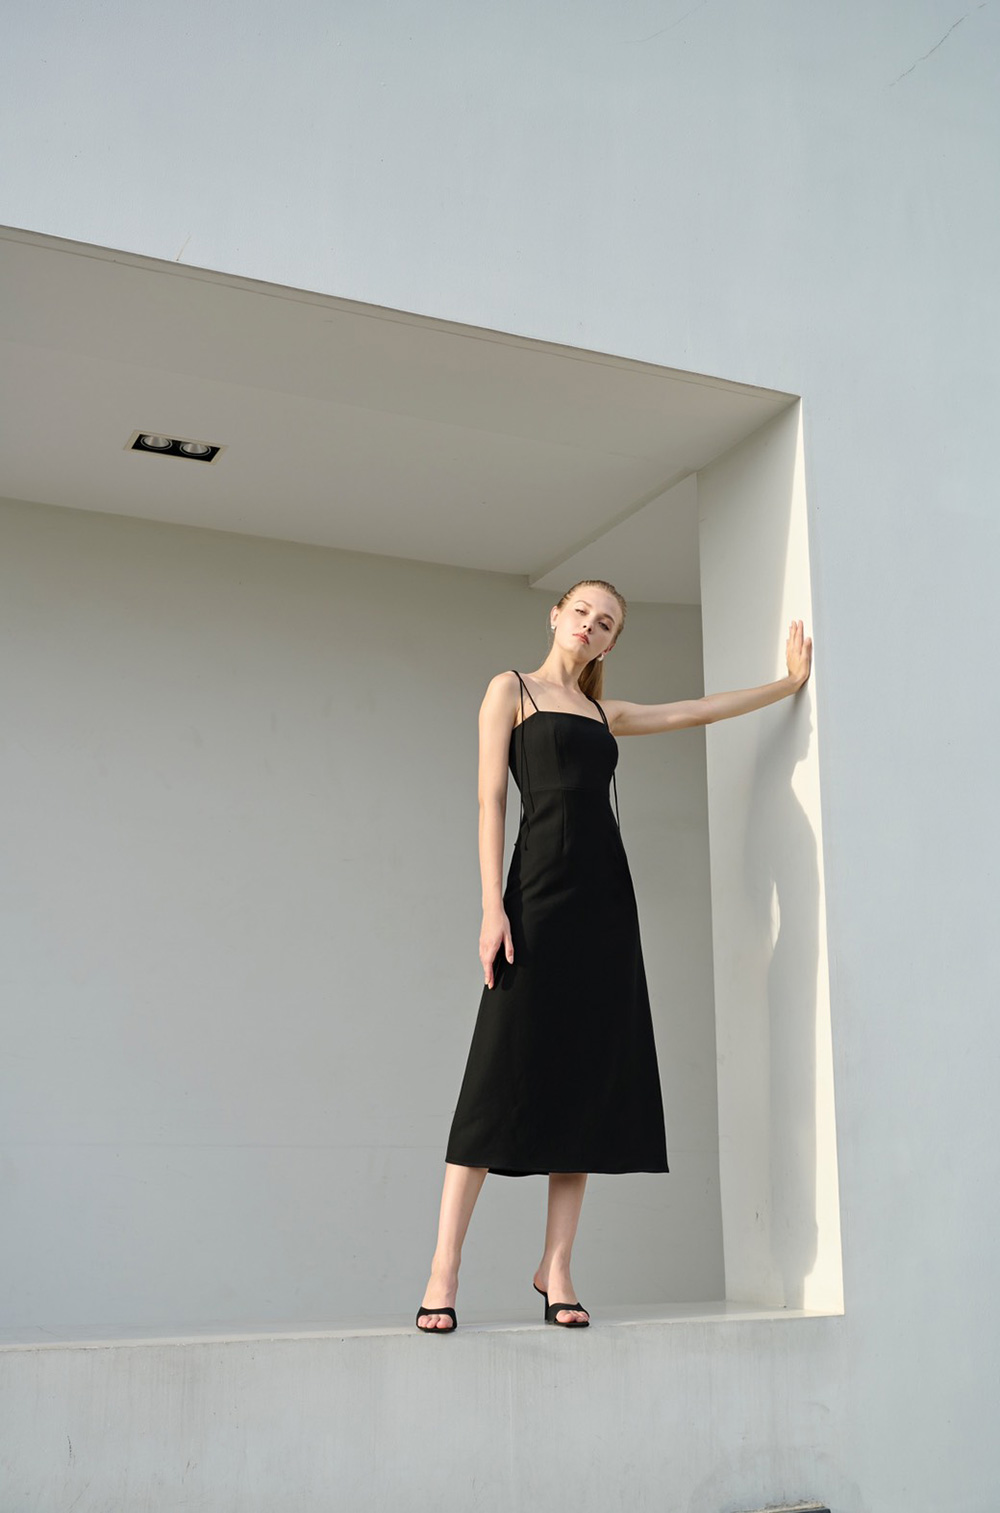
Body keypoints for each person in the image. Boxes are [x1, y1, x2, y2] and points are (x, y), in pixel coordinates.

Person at [415, 579, 812, 1333]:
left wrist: (787, 685)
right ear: (556, 615)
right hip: (534, 896)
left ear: (610, 642)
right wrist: (492, 907)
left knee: (583, 1080)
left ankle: (557, 1267)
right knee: (493, 1079)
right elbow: (490, 800)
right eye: (582, 613)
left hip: (604, 908)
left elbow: (695, 710)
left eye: (606, 624)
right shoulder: (511, 690)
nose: (590, 626)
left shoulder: (605, 713)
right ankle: (444, 1269)